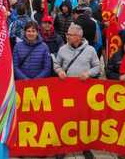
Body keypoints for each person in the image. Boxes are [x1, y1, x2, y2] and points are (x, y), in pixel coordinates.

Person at [53, 23, 99, 159]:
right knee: (65, 118)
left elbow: (97, 67)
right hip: (66, 91)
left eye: (70, 35)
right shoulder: (62, 49)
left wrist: (89, 73)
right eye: (67, 34)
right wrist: (59, 70)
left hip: (84, 91)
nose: (67, 36)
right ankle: (63, 147)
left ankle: (85, 147)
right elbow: (56, 63)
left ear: (79, 36)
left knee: (83, 119)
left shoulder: (90, 50)